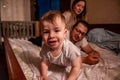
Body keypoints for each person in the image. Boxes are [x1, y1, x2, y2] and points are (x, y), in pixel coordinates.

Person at [39, 10, 82, 80]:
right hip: (60, 62)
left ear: (65, 33)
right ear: (42, 34)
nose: (51, 36)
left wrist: (70, 78)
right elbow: (44, 62)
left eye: (56, 31)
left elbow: (76, 67)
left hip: (75, 59)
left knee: (78, 63)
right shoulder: (45, 47)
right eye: (46, 32)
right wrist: (44, 75)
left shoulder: (70, 49)